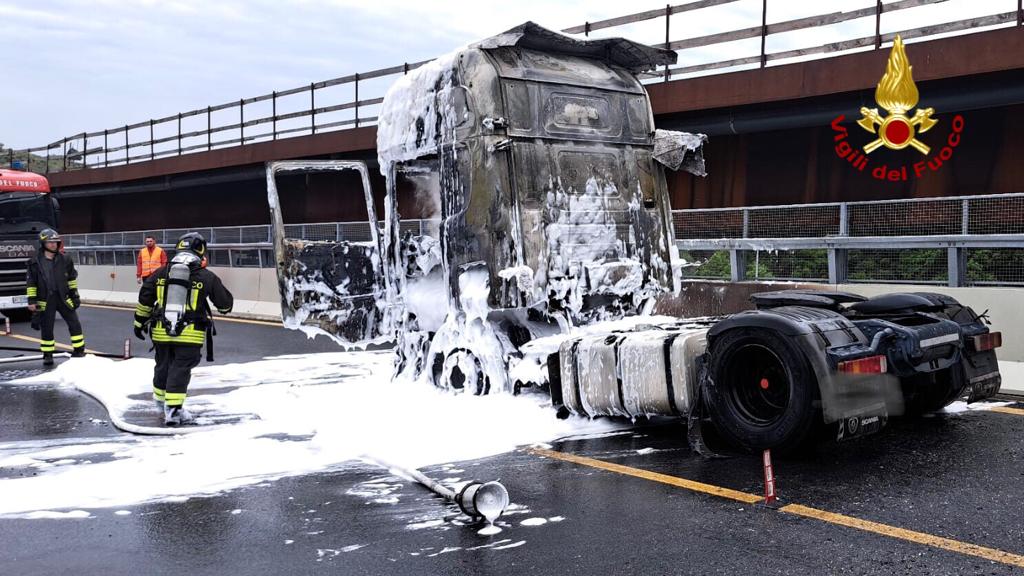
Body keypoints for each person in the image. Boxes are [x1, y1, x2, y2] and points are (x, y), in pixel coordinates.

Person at [133, 232, 233, 426]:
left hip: (161, 332)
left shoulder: (161, 273)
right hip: (190, 334)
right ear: (201, 251)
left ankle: (161, 405)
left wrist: (138, 323)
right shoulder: (206, 276)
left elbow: (145, 298)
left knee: (162, 365)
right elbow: (225, 306)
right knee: (180, 368)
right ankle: (174, 411)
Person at [26, 228, 85, 366]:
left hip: (63, 298)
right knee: (47, 327)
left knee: (75, 324)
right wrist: (32, 301)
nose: (53, 244)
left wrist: (75, 295)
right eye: (50, 242)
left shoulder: (66, 259)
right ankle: (48, 355)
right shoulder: (34, 262)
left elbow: (71, 279)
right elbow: (31, 283)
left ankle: (79, 350)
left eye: (55, 242)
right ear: (43, 243)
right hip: (45, 300)